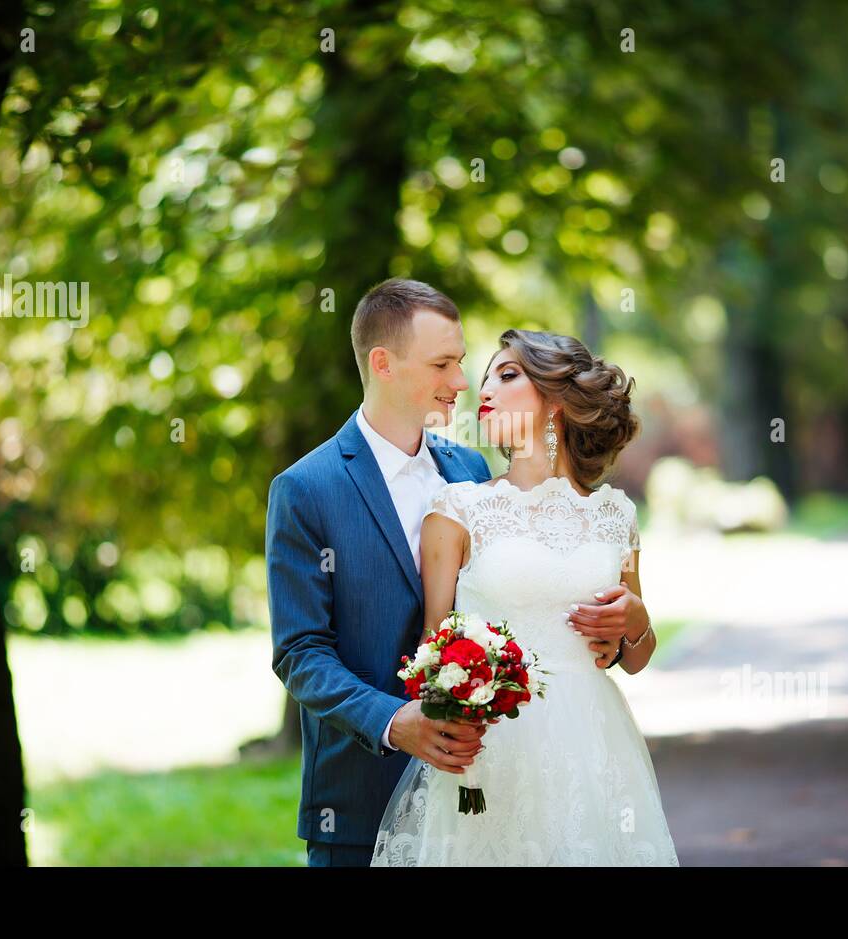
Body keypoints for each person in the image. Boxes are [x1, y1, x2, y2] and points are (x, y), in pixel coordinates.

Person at [265, 280, 652, 867]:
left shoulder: (468, 472)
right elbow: (300, 651)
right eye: (444, 364)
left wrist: (629, 626)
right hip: (361, 793)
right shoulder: (306, 490)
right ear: (383, 363)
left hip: (500, 773)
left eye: (465, 363)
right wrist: (396, 721)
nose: (464, 383)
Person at [370, 329, 679, 866]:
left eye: (506, 374)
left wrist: (637, 618)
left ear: (556, 400)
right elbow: (432, 644)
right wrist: (449, 708)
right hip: (491, 750)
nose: (483, 387)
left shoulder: (616, 517)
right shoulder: (457, 509)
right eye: (485, 375)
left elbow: (635, 656)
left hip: (594, 746)